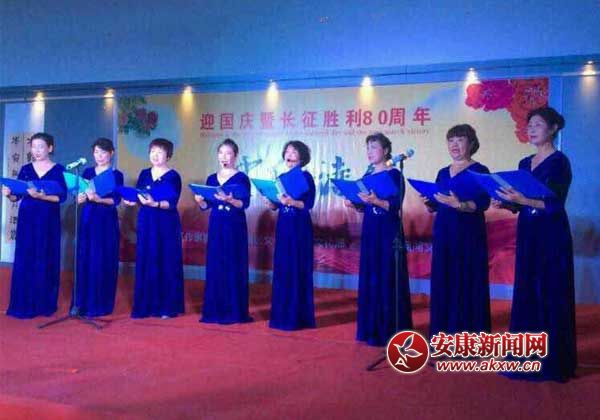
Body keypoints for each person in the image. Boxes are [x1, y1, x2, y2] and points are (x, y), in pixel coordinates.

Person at [493, 106, 576, 382]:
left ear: (553, 128)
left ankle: (552, 362)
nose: (531, 129)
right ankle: (524, 357)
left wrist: (523, 200)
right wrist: (507, 202)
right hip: (528, 232)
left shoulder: (559, 162)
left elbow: (554, 204)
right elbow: (521, 203)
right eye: (529, 125)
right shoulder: (524, 163)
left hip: (551, 234)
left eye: (538, 124)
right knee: (527, 289)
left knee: (550, 291)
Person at [423, 124, 491, 338]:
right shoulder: (443, 172)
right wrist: (430, 202)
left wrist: (460, 204)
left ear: (471, 144)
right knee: (444, 280)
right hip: (444, 232)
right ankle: (443, 333)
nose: (454, 144)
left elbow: (483, 202)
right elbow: (437, 204)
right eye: (451, 140)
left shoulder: (480, 170)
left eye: (460, 140)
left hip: (469, 234)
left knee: (468, 281)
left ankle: (469, 336)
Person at [345, 132, 413, 346]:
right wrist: (355, 203)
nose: (370, 151)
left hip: (388, 232)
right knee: (371, 276)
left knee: (388, 276)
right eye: (368, 147)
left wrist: (376, 201)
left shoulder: (394, 174)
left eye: (374, 147)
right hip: (371, 231)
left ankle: (390, 330)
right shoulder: (367, 175)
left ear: (386, 150)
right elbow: (365, 205)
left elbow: (395, 206)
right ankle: (370, 328)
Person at [4, 132, 67, 318]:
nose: (37, 151)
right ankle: (24, 302)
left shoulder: (58, 170)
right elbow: (17, 196)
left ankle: (44, 303)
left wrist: (42, 196)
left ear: (50, 148)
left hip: (48, 220)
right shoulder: (25, 169)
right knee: (26, 256)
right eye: (33, 147)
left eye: (41, 147)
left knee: (46, 255)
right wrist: (9, 194)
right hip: (28, 219)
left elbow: (61, 198)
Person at [123, 138, 184, 318]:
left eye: (159, 152)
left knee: (165, 260)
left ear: (168, 155)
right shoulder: (144, 174)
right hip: (147, 221)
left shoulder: (173, 176)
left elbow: (172, 202)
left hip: (166, 223)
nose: (155, 155)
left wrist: (155, 203)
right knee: (147, 258)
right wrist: (131, 201)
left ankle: (166, 307)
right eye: (152, 152)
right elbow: (139, 196)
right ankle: (145, 305)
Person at [195, 139, 252, 324]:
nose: (224, 157)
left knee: (233, 263)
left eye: (228, 153)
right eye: (221, 153)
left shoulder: (241, 178)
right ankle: (214, 309)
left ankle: (235, 310)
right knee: (216, 263)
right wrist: (200, 201)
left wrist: (231, 200)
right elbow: (207, 205)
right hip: (216, 224)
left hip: (234, 225)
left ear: (235, 156)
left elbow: (244, 204)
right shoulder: (212, 179)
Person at [266, 140, 316, 330]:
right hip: (284, 226)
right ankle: (281, 314)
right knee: (283, 267)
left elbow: (308, 204)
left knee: (297, 267)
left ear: (302, 157)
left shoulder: (306, 177)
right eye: (287, 151)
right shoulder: (280, 178)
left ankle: (297, 317)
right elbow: (277, 204)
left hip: (299, 226)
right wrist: (272, 202)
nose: (289, 155)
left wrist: (291, 202)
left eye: (294, 152)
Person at [73, 138, 124, 317]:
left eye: (103, 152)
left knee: (103, 257)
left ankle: (100, 304)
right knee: (86, 256)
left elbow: (116, 200)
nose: (99, 156)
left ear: (111, 153)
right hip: (88, 216)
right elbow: (80, 192)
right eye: (96, 152)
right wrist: (80, 198)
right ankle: (82, 303)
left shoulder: (116, 174)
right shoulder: (87, 172)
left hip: (106, 219)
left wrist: (98, 199)